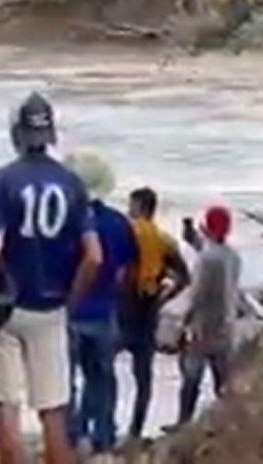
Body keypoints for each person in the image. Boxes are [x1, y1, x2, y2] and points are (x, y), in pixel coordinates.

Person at [0, 93, 102, 464]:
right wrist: (71, 298)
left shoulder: (2, 180)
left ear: (17, 133)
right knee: (53, 410)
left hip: (9, 306)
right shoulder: (72, 184)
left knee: (8, 405)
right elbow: (94, 257)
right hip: (51, 308)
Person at [64, 153, 137, 458]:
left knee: (65, 382)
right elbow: (124, 273)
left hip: (69, 311)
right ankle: (103, 436)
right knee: (102, 378)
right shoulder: (120, 223)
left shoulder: (66, 223)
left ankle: (71, 435)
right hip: (104, 311)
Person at [118, 187, 190, 443]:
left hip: (121, 312)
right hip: (148, 312)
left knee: (102, 370)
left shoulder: (126, 234)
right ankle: (135, 431)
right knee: (143, 378)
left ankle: (104, 425)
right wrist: (164, 297)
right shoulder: (164, 241)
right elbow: (185, 278)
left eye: (131, 205)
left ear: (139, 207)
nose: (129, 210)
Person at [176, 205, 241, 426]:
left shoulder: (206, 259)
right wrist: (192, 238)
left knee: (191, 377)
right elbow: (209, 247)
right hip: (226, 323)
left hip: (203, 327)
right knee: (223, 379)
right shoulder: (232, 255)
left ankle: (183, 422)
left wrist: (184, 321)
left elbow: (197, 295)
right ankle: (231, 419)